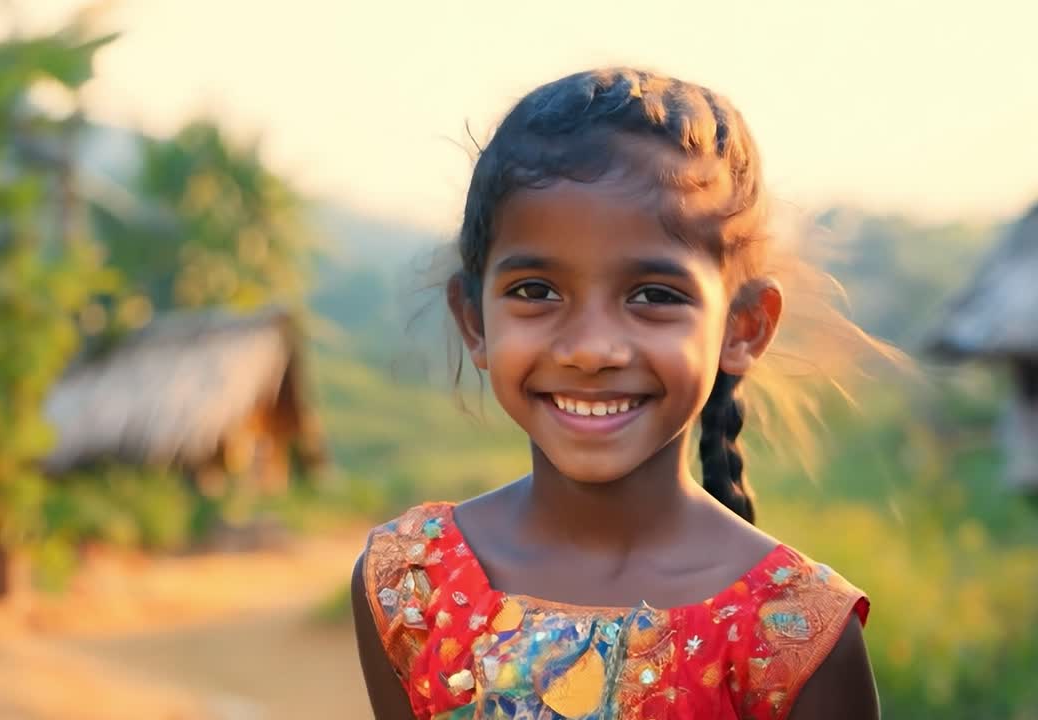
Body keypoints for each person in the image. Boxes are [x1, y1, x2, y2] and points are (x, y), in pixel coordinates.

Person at [351, 67, 880, 720]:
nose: (591, 349)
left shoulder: (795, 639)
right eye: (536, 291)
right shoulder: (412, 585)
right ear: (474, 321)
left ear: (743, 328)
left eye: (654, 296)